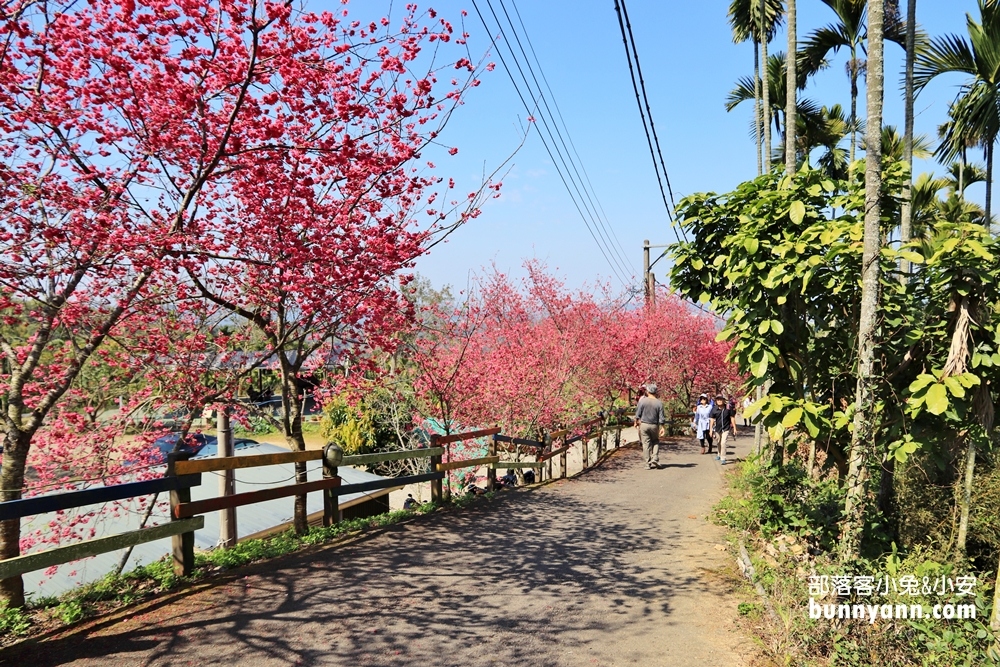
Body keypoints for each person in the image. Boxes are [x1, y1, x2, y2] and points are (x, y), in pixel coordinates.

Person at [634, 383, 666, 469]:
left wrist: (636, 422)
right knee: (655, 441)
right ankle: (655, 457)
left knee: (646, 444)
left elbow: (638, 414)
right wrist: (663, 427)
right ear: (656, 392)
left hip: (644, 424)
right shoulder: (659, 403)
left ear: (647, 391)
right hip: (654, 425)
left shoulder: (643, 401)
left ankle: (647, 464)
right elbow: (661, 417)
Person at [710, 394, 738, 465]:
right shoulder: (714, 409)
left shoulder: (728, 408)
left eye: (721, 399)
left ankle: (723, 458)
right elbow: (712, 420)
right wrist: (710, 430)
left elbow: (732, 418)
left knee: (723, 443)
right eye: (718, 400)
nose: (719, 401)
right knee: (719, 442)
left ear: (723, 400)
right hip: (717, 429)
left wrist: (734, 428)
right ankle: (719, 454)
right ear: (716, 401)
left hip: (726, 428)